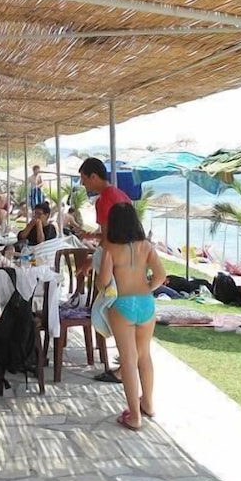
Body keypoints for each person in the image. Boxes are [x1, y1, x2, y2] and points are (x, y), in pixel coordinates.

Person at [98, 203, 167, 430]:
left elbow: (103, 282)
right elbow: (161, 276)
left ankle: (134, 416)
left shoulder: (110, 248)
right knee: (144, 356)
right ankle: (148, 403)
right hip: (146, 303)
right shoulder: (146, 246)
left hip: (123, 304)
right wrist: (147, 287)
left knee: (128, 360)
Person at [80, 157, 133, 384]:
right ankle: (127, 363)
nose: (83, 184)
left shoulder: (103, 200)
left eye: (84, 179)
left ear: (94, 176)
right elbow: (115, 232)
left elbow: (109, 238)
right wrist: (94, 237)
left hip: (116, 263)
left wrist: (93, 261)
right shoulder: (121, 195)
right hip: (131, 262)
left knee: (114, 313)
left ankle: (124, 369)